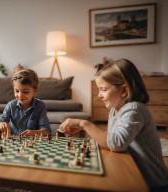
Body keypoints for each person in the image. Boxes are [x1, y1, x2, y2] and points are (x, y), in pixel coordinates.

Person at [60, 59, 168, 191]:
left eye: (103, 89)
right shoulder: (115, 110)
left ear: (123, 91)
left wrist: (84, 123)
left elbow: (116, 143)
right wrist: (84, 132)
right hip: (132, 175)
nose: (99, 95)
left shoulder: (134, 109)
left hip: (152, 183)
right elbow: (109, 139)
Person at [0, 69, 51, 136]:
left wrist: (34, 133)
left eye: (25, 92)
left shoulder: (40, 106)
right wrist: (0, 124)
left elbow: (47, 131)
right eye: (17, 91)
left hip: (33, 143)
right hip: (14, 142)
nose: (20, 95)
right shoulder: (11, 105)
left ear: (35, 90)